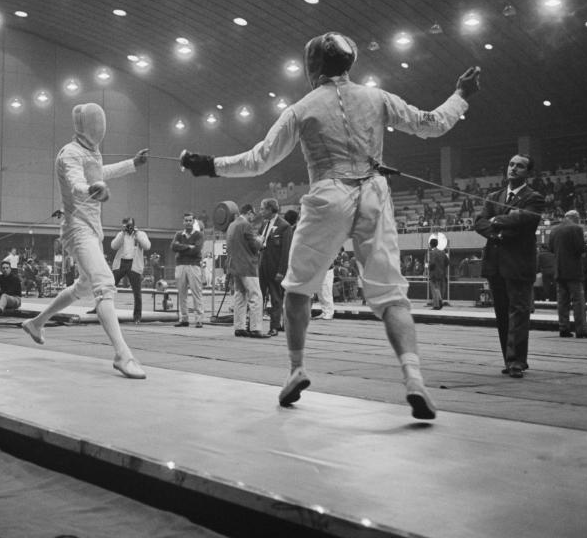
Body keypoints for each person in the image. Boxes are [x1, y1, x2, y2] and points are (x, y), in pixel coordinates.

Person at [181, 31, 481, 418]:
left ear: (314, 67)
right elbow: (430, 123)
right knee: (391, 296)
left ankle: (297, 369)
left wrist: (208, 166)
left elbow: (259, 160)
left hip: (328, 193)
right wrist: (461, 95)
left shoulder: (302, 107)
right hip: (374, 193)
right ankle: (413, 379)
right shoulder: (377, 97)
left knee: (298, 290)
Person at [20, 102, 149, 379]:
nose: (100, 129)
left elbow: (100, 173)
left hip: (92, 228)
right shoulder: (69, 154)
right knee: (105, 283)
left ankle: (36, 323)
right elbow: (77, 182)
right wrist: (92, 189)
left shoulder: (91, 152)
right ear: (86, 126)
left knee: (84, 285)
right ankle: (122, 355)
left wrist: (132, 164)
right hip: (76, 229)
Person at [475, 154, 547, 378]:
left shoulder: (534, 198)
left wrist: (495, 222)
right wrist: (501, 229)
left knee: (519, 312)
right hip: (495, 265)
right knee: (502, 314)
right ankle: (510, 359)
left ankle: (517, 361)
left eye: (520, 166)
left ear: (528, 173)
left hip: (518, 264)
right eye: (511, 164)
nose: (514, 169)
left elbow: (524, 222)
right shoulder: (493, 196)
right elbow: (479, 223)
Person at [549, 211, 587, 338]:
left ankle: (563, 328)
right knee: (578, 301)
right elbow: (580, 248)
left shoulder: (554, 229)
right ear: (576, 218)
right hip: (573, 271)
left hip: (559, 270)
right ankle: (581, 330)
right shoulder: (576, 228)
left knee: (562, 301)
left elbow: (551, 248)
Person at [225, 204, 265, 338]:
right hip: (248, 266)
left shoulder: (231, 225)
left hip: (235, 266)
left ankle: (239, 327)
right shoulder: (246, 225)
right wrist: (260, 240)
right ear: (249, 212)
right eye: (253, 214)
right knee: (255, 297)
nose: (253, 217)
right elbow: (254, 246)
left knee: (240, 296)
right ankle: (255, 328)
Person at [257, 198, 292, 336]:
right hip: (262, 267)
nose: (260, 211)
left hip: (275, 268)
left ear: (270, 209)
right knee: (259, 297)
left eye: (262, 209)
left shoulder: (284, 226)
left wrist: (281, 271)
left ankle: (274, 326)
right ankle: (256, 325)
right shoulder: (264, 225)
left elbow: (286, 252)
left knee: (276, 299)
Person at [110, 217, 151, 323]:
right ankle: (99, 309)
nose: (127, 227)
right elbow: (113, 246)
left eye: (129, 225)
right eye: (125, 225)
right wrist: (122, 234)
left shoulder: (140, 234)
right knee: (108, 287)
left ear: (133, 225)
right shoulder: (121, 234)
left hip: (134, 264)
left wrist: (137, 235)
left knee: (137, 292)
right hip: (121, 263)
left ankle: (137, 316)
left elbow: (147, 246)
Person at [171, 211, 205, 328]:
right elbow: (173, 247)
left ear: (193, 221)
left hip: (193, 266)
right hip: (180, 266)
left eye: (190, 220)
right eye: (186, 220)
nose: (188, 222)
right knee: (182, 293)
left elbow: (196, 250)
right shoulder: (178, 234)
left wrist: (181, 248)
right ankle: (184, 318)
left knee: (197, 292)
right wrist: (188, 247)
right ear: (183, 222)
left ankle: (199, 319)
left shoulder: (199, 235)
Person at [427, 238, 448, 310]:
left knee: (435, 289)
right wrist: (442, 267)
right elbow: (447, 262)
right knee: (438, 288)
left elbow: (432, 263)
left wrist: (429, 268)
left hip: (434, 274)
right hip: (442, 273)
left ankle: (437, 305)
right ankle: (440, 301)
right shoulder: (442, 252)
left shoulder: (432, 253)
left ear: (431, 244)